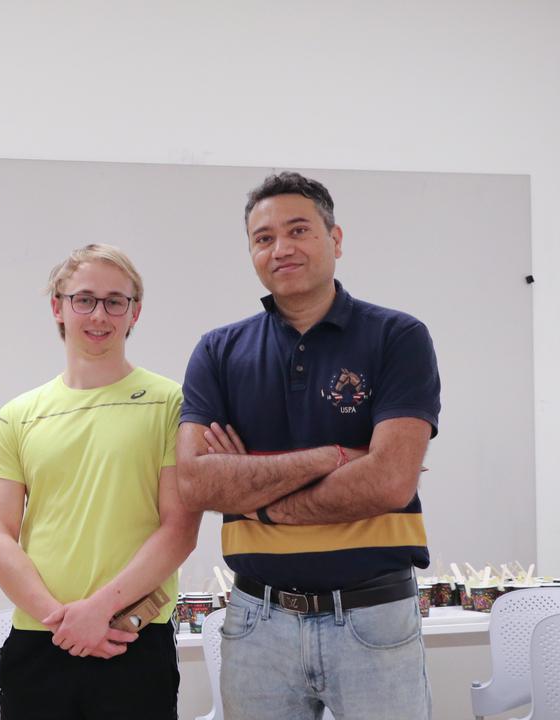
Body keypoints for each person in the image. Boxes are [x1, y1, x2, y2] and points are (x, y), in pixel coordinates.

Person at [176, 172, 441, 719]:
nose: (281, 248)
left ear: (335, 239)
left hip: (374, 615)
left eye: (299, 230)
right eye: (264, 237)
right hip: (256, 620)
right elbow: (195, 481)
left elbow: (390, 481)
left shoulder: (398, 337)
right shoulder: (219, 351)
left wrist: (252, 487)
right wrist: (334, 457)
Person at [0, 243, 200, 719]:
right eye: (84, 299)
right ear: (58, 306)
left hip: (132, 641)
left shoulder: (171, 404)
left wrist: (97, 612)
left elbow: (179, 530)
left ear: (134, 311)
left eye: (114, 301)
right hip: (40, 641)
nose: (99, 314)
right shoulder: (18, 416)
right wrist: (62, 620)